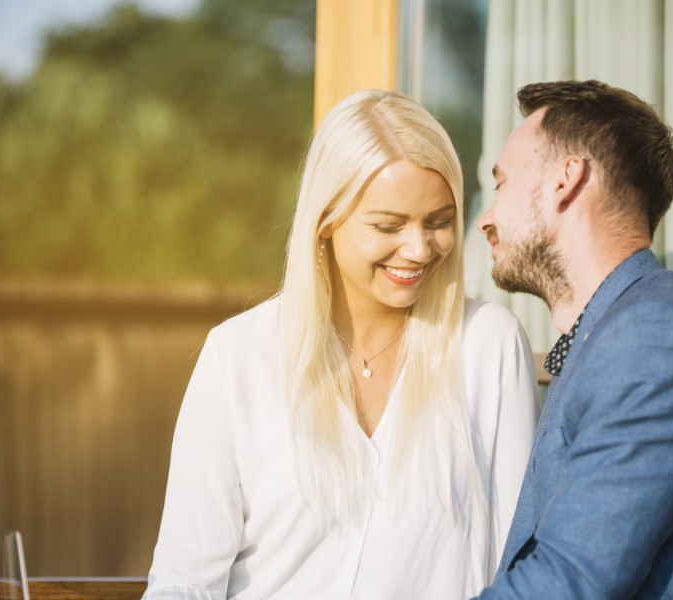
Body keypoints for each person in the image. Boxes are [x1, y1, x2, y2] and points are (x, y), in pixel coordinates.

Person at [142, 89, 540, 600]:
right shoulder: (236, 357)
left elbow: (519, 568)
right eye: (388, 225)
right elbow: (185, 581)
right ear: (326, 221)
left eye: (439, 222)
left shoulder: (488, 346)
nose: (420, 249)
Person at [471, 80, 673, 599]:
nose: (485, 217)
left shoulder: (655, 340)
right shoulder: (618, 327)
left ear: (566, 179)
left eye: (503, 183)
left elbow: (570, 582)